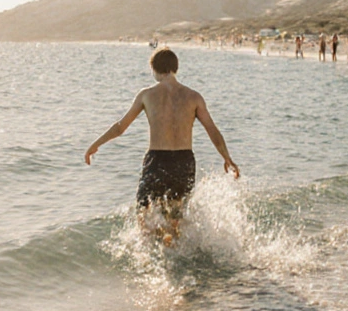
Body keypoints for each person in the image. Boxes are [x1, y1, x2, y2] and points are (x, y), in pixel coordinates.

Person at [85, 47, 240, 244]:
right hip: (184, 161)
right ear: (175, 68)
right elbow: (213, 130)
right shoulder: (194, 97)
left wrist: (95, 144)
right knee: (175, 216)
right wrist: (227, 157)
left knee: (144, 213)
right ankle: (177, 254)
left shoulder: (146, 95)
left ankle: (153, 254)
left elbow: (120, 127)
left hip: (157, 161)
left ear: (155, 69)